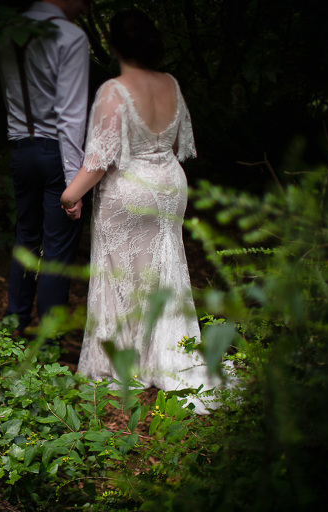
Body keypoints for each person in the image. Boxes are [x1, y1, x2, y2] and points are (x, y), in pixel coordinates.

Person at [60, 9, 221, 412]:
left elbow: (99, 160)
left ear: (113, 46)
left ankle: (122, 361)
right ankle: (168, 356)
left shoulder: (114, 91)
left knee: (119, 271)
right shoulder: (171, 84)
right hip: (168, 182)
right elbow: (175, 143)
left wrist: (69, 195)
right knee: (164, 267)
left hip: (130, 187)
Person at [0, 0, 91, 339]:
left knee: (26, 238)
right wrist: (73, 184)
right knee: (57, 251)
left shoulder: (8, 34)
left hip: (21, 149)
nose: (87, 5)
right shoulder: (70, 36)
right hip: (56, 153)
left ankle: (14, 324)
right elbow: (71, 116)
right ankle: (48, 338)